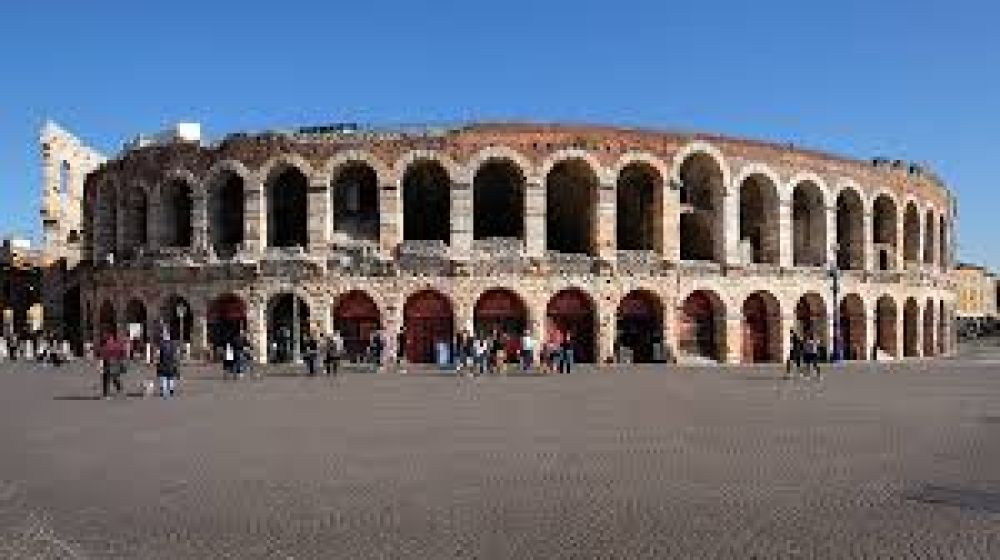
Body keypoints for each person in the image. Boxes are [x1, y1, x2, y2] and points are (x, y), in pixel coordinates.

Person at [99, 332, 126, 399]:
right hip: (113, 361)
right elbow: (122, 352)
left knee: (107, 378)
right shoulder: (116, 343)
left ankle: (107, 393)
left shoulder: (108, 344)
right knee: (113, 377)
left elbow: (102, 352)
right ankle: (118, 390)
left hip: (109, 361)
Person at [156, 333, 180, 398]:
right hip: (171, 364)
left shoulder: (161, 346)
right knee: (171, 378)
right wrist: (176, 363)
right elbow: (176, 355)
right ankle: (171, 390)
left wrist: (158, 364)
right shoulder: (173, 346)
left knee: (164, 378)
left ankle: (164, 391)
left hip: (163, 364)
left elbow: (158, 356)